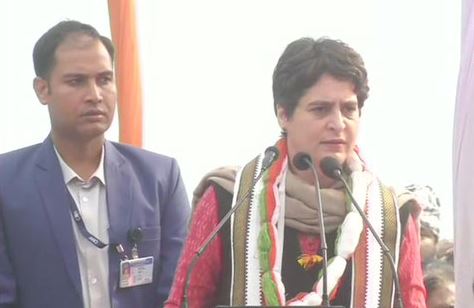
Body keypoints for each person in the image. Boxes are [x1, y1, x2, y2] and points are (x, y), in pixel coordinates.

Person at [165, 37, 426, 307]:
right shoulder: (228, 200)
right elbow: (183, 302)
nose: (338, 123)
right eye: (321, 109)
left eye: (349, 109)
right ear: (283, 114)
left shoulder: (392, 214)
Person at [0, 20, 190, 308]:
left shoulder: (160, 178)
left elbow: (180, 292)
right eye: (76, 81)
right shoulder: (7, 184)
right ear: (43, 90)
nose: (95, 95)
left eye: (104, 79)